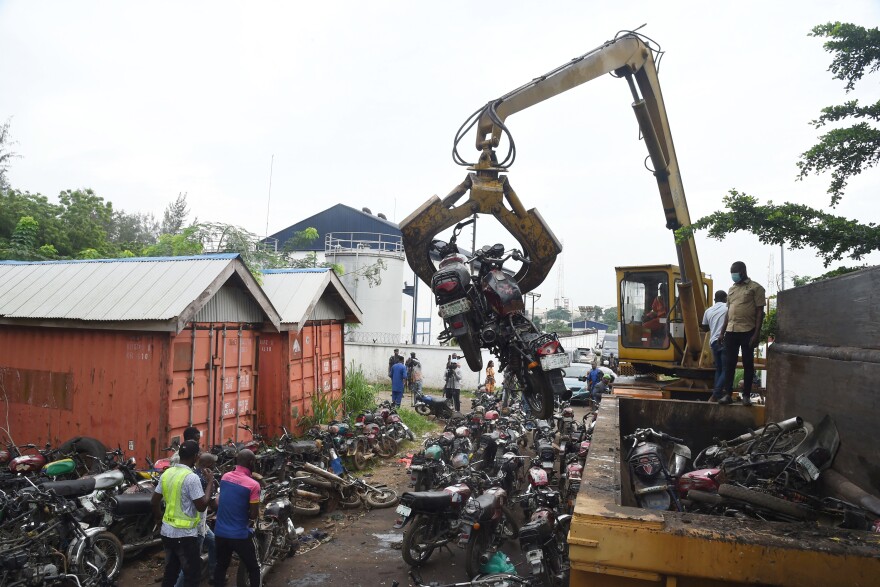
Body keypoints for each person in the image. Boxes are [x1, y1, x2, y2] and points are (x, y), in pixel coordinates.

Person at [151, 440, 213, 587]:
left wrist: (159, 520)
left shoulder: (168, 473)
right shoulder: (191, 478)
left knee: (171, 572)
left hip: (167, 533)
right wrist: (210, 482)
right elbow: (202, 506)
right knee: (192, 577)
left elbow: (154, 502)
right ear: (196, 457)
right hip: (185, 536)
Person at [718, 261, 765, 407]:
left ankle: (746, 395)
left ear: (742, 271)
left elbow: (760, 313)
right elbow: (728, 312)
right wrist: (721, 332)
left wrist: (756, 334)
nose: (733, 275)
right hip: (731, 331)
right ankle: (727, 394)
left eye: (735, 271)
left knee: (748, 364)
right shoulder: (731, 289)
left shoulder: (755, 288)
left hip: (747, 330)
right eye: (731, 272)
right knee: (729, 364)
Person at [213, 450, 261, 587]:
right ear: (251, 463)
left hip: (220, 532)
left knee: (221, 565)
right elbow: (253, 515)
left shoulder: (225, 477)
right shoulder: (253, 485)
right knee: (254, 567)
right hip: (239, 534)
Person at [174, 452, 217, 587]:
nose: (215, 466)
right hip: (196, 526)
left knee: (214, 542)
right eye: (213, 464)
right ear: (208, 466)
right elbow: (211, 504)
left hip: (198, 524)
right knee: (190, 564)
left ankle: (212, 574)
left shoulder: (190, 475)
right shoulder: (205, 480)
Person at [702, 290, 729, 402]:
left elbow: (704, 328)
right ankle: (716, 393)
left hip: (714, 342)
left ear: (714, 300)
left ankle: (717, 395)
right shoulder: (728, 308)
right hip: (725, 341)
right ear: (725, 299)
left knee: (719, 369)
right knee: (726, 369)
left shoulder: (708, 311)